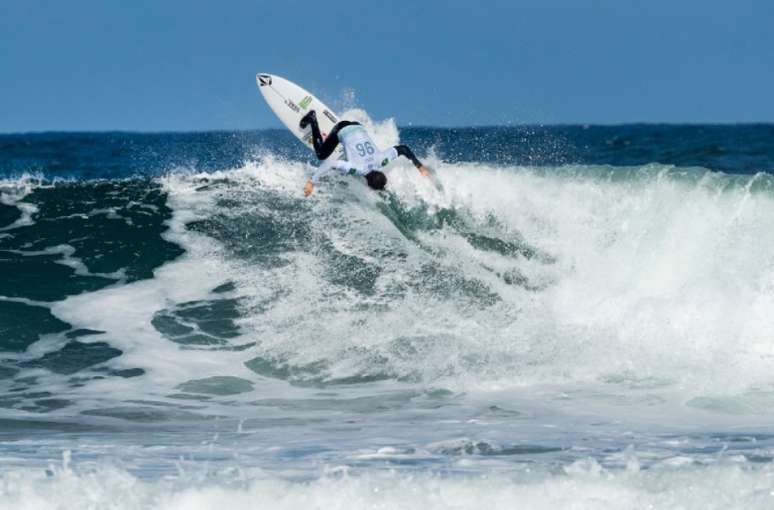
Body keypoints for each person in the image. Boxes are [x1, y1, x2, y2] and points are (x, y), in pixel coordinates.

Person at [299, 110, 431, 196]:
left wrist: (420, 167)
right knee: (321, 155)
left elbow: (403, 149)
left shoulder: (381, 160)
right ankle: (312, 119)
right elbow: (329, 163)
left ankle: (344, 145)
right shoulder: (357, 169)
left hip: (358, 126)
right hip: (341, 129)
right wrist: (312, 182)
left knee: (345, 157)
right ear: (367, 183)